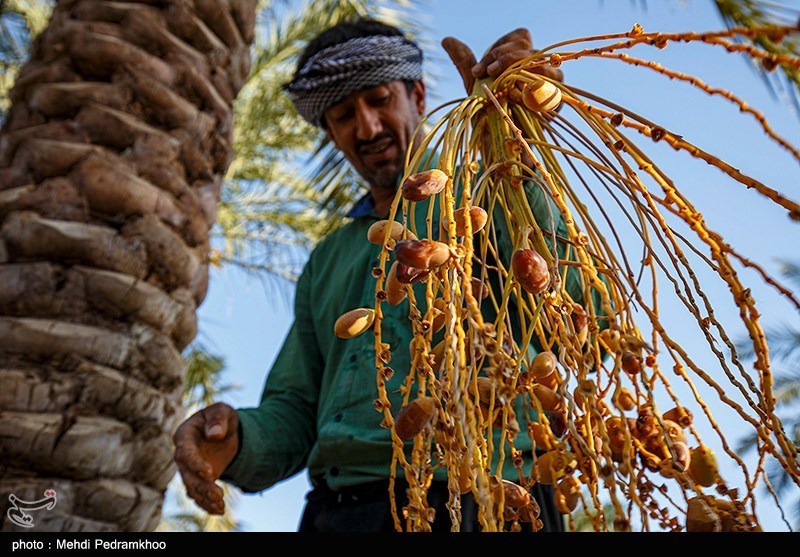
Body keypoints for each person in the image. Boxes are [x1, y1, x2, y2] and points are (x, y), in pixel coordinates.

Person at [173, 17, 580, 533]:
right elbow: (298, 410)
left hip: (491, 500)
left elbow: (577, 321)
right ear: (331, 134)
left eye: (379, 100)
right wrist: (239, 443)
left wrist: (519, 155)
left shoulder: (491, 195)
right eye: (344, 116)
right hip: (342, 515)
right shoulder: (328, 260)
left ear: (417, 95)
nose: (366, 127)